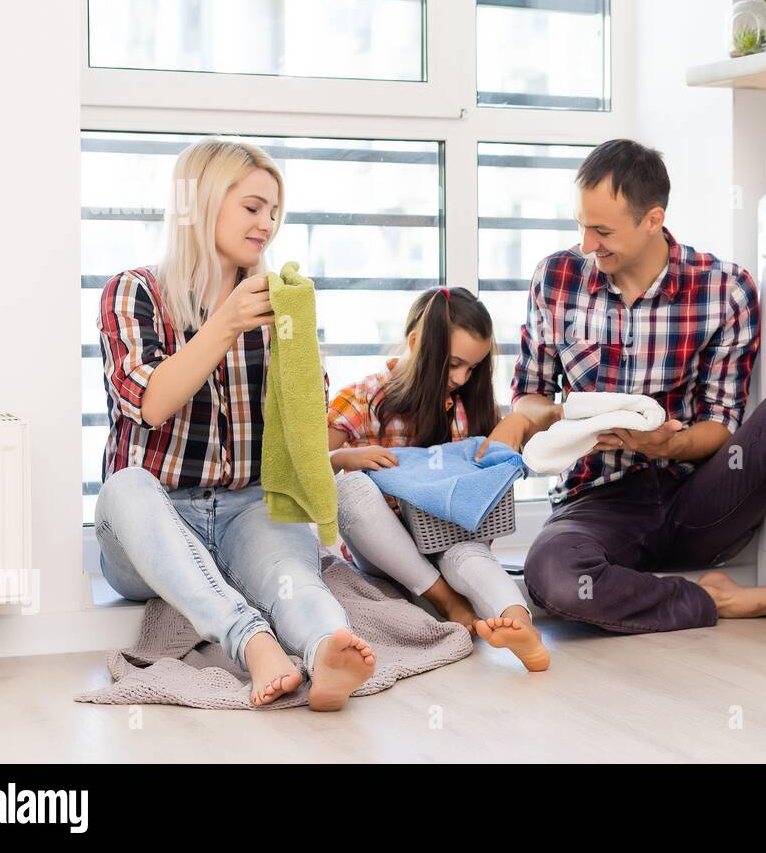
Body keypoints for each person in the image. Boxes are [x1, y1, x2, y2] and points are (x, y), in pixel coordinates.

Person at [479, 138, 766, 674]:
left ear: (653, 219)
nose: (587, 244)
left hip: (698, 494)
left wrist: (666, 443)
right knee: (554, 574)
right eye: (582, 226)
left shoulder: (726, 290)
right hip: (597, 500)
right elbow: (533, 391)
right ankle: (718, 600)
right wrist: (519, 420)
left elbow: (721, 424)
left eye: (603, 231)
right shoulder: (557, 280)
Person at [94, 137, 377, 710]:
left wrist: (293, 342)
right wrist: (225, 323)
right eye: (252, 207)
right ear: (202, 204)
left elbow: (303, 419)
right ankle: (253, 643)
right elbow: (151, 404)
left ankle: (327, 650)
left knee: (290, 575)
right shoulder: (134, 291)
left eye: (274, 211)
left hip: (248, 506)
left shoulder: (281, 305)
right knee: (124, 487)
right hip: (153, 523)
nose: (267, 224)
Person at [329, 286, 550, 672]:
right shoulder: (363, 398)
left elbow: (490, 473)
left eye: (473, 368)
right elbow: (308, 465)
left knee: (470, 556)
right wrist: (347, 456)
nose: (463, 378)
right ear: (415, 342)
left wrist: (514, 433)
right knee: (350, 489)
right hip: (386, 551)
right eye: (454, 364)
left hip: (446, 538)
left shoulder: (467, 408)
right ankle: (447, 600)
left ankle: (522, 627)